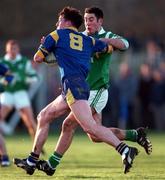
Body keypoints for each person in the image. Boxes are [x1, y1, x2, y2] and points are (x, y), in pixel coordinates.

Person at [14, 6, 139, 175]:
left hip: (75, 86)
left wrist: (47, 46)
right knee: (43, 116)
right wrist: (108, 47)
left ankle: (124, 149)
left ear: (66, 21)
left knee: (91, 128)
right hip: (75, 87)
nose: (57, 23)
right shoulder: (86, 40)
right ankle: (31, 161)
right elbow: (106, 49)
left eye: (59, 20)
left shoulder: (56, 35)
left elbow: (38, 58)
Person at [0, 40, 38, 166]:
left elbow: (34, 78)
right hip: (8, 94)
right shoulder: (3, 62)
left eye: (14, 48)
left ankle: (36, 149)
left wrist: (23, 79)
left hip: (20, 93)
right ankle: (4, 156)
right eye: (10, 49)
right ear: (7, 50)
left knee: (31, 123)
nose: (12, 51)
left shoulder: (24, 62)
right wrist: (5, 82)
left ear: (18, 50)